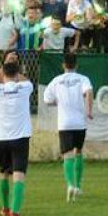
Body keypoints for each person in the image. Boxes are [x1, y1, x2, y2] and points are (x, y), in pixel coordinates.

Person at [43, 52, 93, 202]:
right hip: (79, 122)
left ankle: (70, 185)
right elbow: (89, 92)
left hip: (64, 123)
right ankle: (78, 186)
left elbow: (47, 100)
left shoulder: (57, 81)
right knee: (78, 152)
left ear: (63, 65)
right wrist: (89, 110)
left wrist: (58, 102)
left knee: (68, 155)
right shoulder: (83, 79)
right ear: (76, 65)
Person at [0, 60, 33, 216]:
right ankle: (15, 213)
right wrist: (15, 71)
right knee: (19, 174)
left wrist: (4, 67)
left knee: (4, 172)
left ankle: (5, 208)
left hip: (1, 138)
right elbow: (22, 80)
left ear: (3, 73)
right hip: (20, 137)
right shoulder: (25, 86)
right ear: (18, 74)